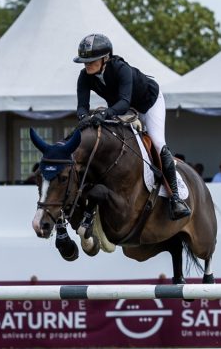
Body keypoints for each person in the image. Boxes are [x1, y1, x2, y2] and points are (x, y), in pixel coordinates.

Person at [74, 33, 191, 220]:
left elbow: (123, 101)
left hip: (148, 103)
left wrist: (103, 114)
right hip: (124, 108)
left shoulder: (121, 69)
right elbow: (82, 106)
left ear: (105, 58)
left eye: (92, 60)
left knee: (158, 143)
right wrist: (83, 117)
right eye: (85, 61)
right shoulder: (84, 76)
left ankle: (175, 198)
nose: (87, 65)